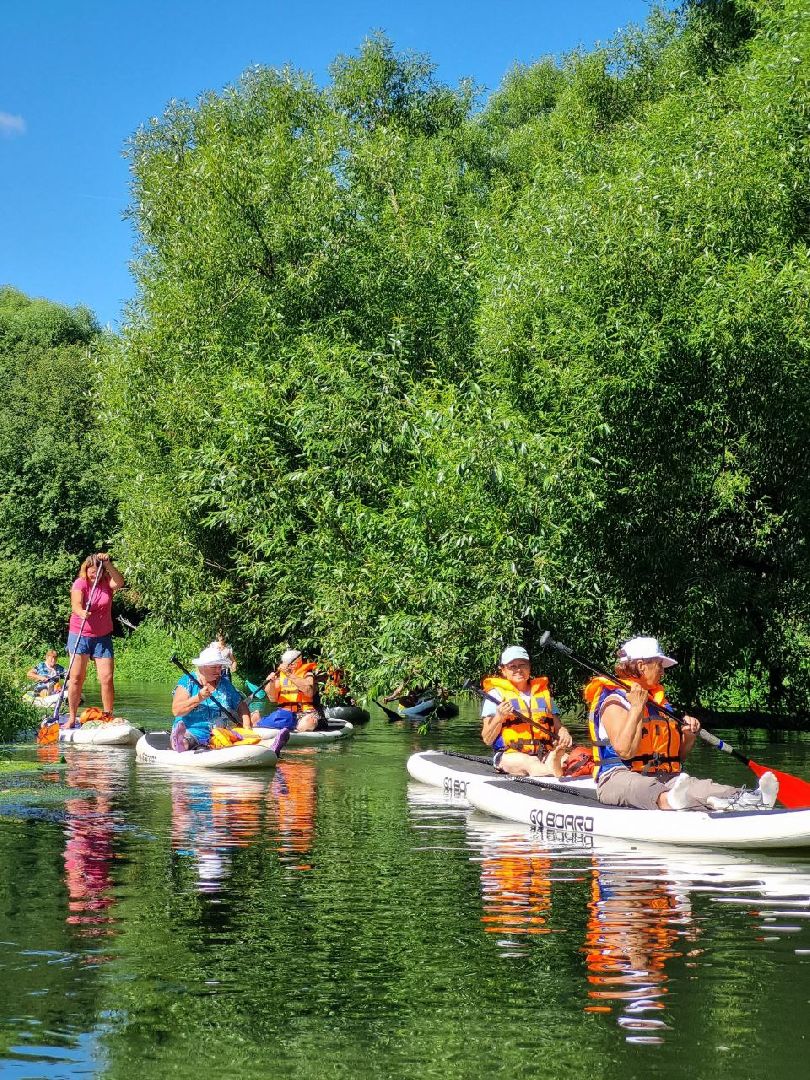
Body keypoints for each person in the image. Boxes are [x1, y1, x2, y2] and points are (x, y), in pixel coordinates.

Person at [584, 636, 778, 812]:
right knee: (648, 788)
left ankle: (751, 798)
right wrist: (636, 709)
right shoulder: (613, 701)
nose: (662, 671)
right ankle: (675, 800)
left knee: (702, 786)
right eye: (659, 664)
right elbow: (625, 752)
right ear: (641, 665)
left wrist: (689, 735)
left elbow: (679, 757)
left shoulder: (658, 703)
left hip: (666, 777)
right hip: (618, 778)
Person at [480, 646, 573, 777]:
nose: (518, 670)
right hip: (510, 754)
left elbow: (558, 727)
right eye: (512, 666)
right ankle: (554, 773)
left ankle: (557, 766)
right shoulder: (495, 695)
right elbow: (487, 739)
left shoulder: (542, 693)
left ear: (529, 667)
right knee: (532, 762)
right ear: (503, 670)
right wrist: (499, 717)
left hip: (544, 752)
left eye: (522, 665)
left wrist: (564, 733)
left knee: (572, 760)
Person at [65, 553, 125, 728]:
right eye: (92, 572)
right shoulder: (80, 583)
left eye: (97, 572)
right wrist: (82, 612)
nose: (95, 575)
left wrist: (108, 564)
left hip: (102, 636)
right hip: (80, 634)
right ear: (86, 570)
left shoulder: (107, 582)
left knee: (107, 678)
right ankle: (71, 717)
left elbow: (120, 582)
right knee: (76, 677)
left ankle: (107, 715)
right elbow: (75, 605)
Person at [170, 644, 257, 752]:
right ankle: (181, 742)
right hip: (192, 732)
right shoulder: (187, 681)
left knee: (232, 736)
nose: (218, 671)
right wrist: (198, 698)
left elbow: (241, 705)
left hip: (218, 734)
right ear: (202, 667)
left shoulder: (225, 684)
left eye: (220, 667)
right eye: (214, 667)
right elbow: (176, 710)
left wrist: (247, 726)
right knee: (189, 740)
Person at [259, 649, 320, 733]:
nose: (287, 666)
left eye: (290, 664)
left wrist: (289, 674)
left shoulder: (307, 674)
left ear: (298, 661)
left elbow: (309, 692)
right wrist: (271, 683)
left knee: (307, 723)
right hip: (285, 713)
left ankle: (298, 733)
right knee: (262, 717)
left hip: (304, 713)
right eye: (285, 663)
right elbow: (272, 698)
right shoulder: (280, 676)